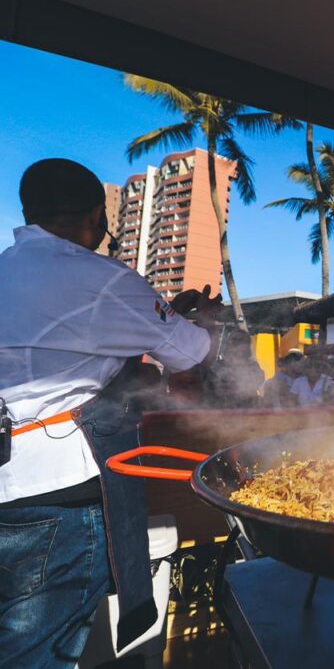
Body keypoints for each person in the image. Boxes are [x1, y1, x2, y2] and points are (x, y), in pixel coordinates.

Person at [0, 158, 219, 667]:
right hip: (56, 498)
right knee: (34, 654)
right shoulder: (104, 278)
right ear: (97, 216)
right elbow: (190, 354)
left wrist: (160, 310)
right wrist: (196, 320)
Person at [203, 329, 266, 408]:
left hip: (247, 411)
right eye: (233, 340)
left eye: (241, 341)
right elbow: (209, 389)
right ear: (228, 344)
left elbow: (255, 384)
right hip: (221, 411)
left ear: (247, 345)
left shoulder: (253, 367)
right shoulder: (217, 366)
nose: (236, 343)